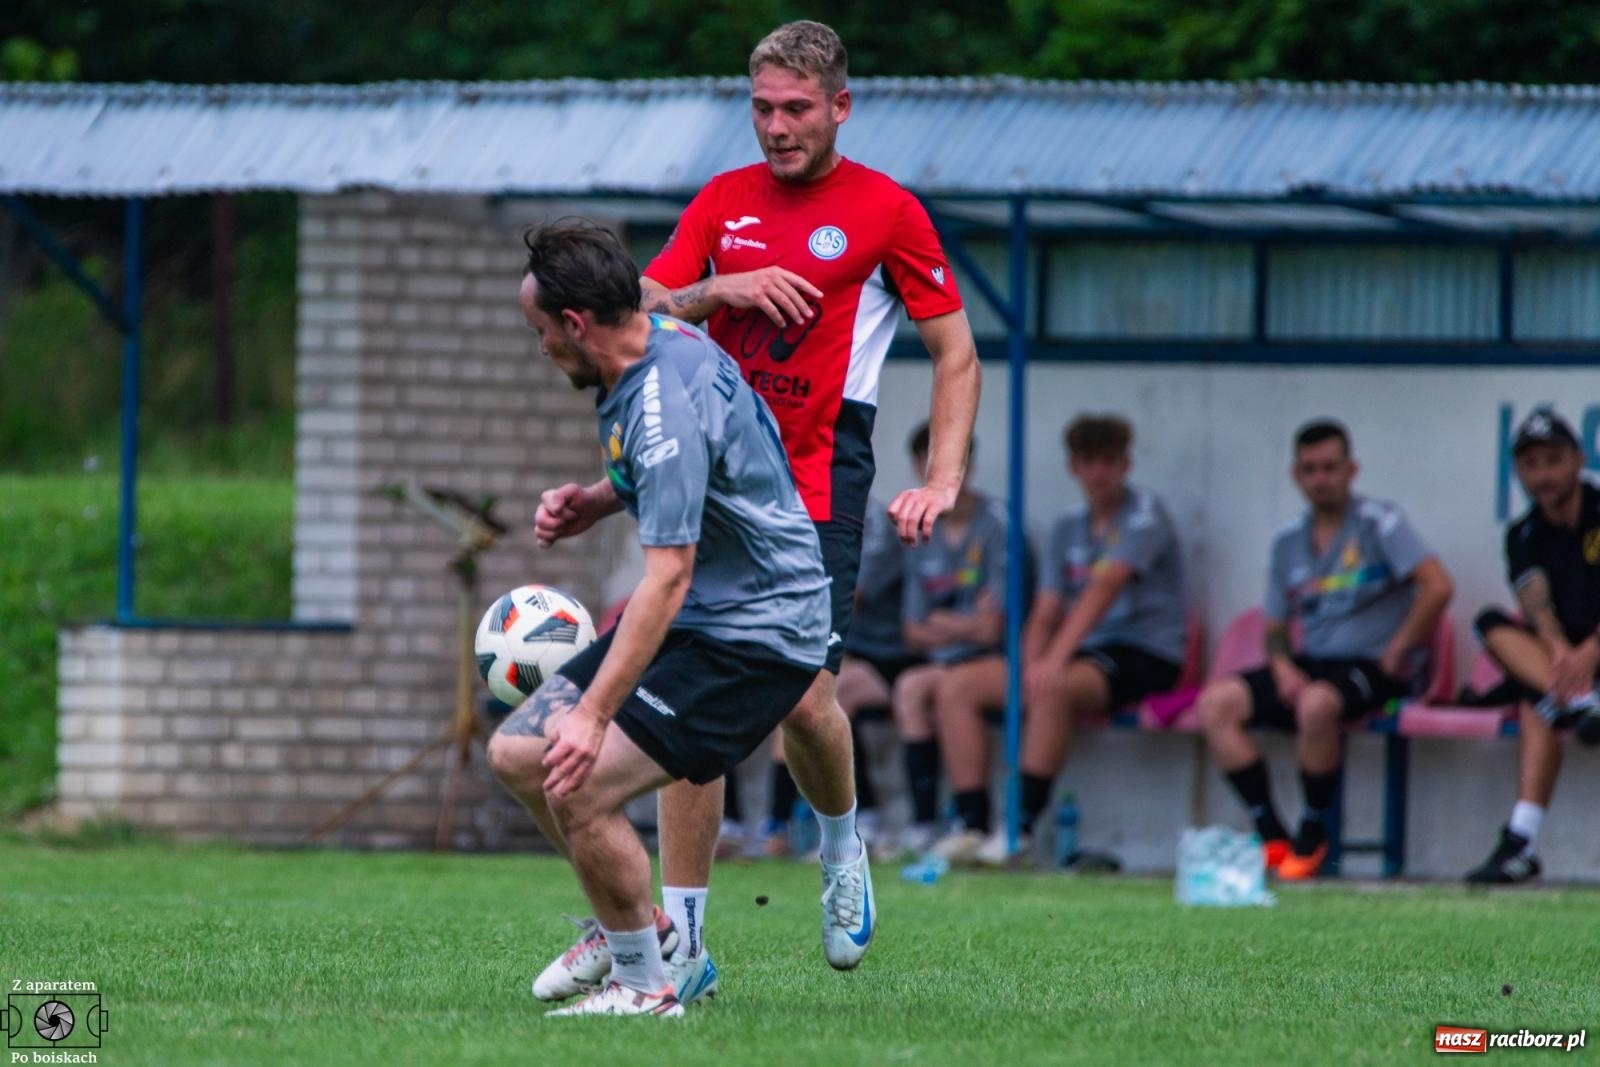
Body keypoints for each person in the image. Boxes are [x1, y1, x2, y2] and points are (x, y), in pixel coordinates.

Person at [535, 18, 980, 993]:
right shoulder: (724, 201)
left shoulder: (886, 211)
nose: (776, 127)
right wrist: (724, 283)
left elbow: (955, 350)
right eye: (762, 108)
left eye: (795, 109)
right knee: (685, 699)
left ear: (838, 106)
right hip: (716, 471)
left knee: (801, 699)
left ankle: (839, 847)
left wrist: (941, 479)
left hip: (818, 482)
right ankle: (681, 936)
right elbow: (640, 304)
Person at [488, 222, 836, 1016]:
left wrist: (592, 716)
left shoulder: (658, 410)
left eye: (541, 332)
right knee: (515, 750)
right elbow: (673, 478)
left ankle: (648, 987)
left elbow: (668, 577)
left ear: (577, 324)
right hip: (709, 615)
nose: (540, 349)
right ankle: (632, 933)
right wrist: (598, 498)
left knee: (573, 778)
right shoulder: (656, 329)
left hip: (758, 636)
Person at [1195, 420, 1454, 880]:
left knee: (1317, 705)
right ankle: (1271, 832)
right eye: (1310, 469)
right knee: (1216, 704)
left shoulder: (1381, 522)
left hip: (1372, 666)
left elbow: (1438, 587)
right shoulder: (1287, 542)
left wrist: (1398, 649)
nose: (1321, 478)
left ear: (1351, 469)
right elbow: (1275, 623)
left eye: (1330, 468)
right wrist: (1281, 667)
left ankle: (1312, 833)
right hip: (1312, 663)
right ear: (1296, 475)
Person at [939, 414, 1188, 866]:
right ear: (1073, 467)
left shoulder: (1145, 516)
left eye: (1109, 462)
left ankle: (1021, 829)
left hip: (1143, 651)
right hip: (1082, 651)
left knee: (1055, 685)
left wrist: (1050, 663)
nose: (1099, 473)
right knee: (957, 686)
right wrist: (1029, 662)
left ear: (1126, 465)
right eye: (1089, 462)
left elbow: (1102, 590)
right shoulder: (1067, 526)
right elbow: (1048, 605)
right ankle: (972, 826)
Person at [1465, 409, 1600, 884]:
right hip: (1567, 672)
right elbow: (1536, 607)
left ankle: (1521, 839)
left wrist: (1587, 654)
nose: (1542, 475)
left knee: (1539, 700)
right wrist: (1564, 654)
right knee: (1495, 629)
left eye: (1553, 461)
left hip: (1595, 657)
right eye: (1530, 464)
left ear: (1579, 460)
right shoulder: (1523, 534)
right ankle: (1582, 702)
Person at [892, 423, 1011, 864]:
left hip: (998, 661)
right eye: (929, 461)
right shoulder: (921, 528)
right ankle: (924, 824)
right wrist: (962, 622)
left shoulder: (998, 524)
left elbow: (992, 629)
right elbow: (913, 630)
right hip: (946, 660)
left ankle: (973, 822)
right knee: (909, 688)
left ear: (968, 464)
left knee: (953, 687)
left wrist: (945, 622)